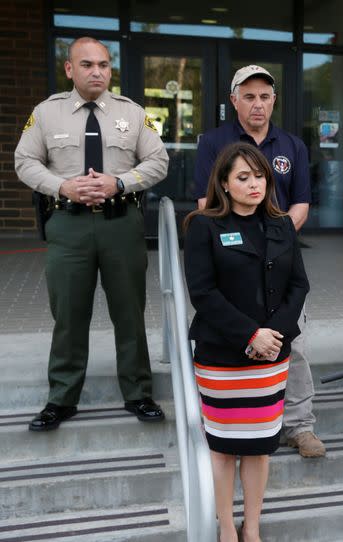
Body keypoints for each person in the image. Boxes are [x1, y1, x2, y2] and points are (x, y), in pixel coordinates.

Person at [14, 36, 168, 431]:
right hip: (68, 224)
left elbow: (158, 161)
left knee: (129, 312)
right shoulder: (46, 114)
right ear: (70, 69)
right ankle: (61, 398)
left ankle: (138, 392)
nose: (97, 71)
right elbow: (24, 161)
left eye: (103, 64)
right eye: (87, 65)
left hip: (122, 224)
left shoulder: (132, 113)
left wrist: (121, 181)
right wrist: (60, 187)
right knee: (68, 313)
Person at [194, 65, 324, 458]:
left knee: (291, 343)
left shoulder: (293, 146)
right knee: (240, 337)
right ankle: (235, 424)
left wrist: (275, 239)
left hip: (280, 263)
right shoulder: (213, 142)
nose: (258, 104)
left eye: (265, 96)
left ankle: (299, 426)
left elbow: (299, 205)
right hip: (231, 263)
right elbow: (205, 204)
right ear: (234, 100)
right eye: (248, 96)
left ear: (274, 100)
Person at [183, 142, 309, 542]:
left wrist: (274, 335)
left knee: (259, 446)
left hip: (271, 356)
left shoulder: (282, 223)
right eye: (243, 177)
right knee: (223, 447)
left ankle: (251, 526)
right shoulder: (203, 225)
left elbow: (298, 284)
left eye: (259, 176)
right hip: (222, 355)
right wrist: (250, 334)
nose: (254, 184)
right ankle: (225, 526)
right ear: (223, 182)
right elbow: (202, 293)